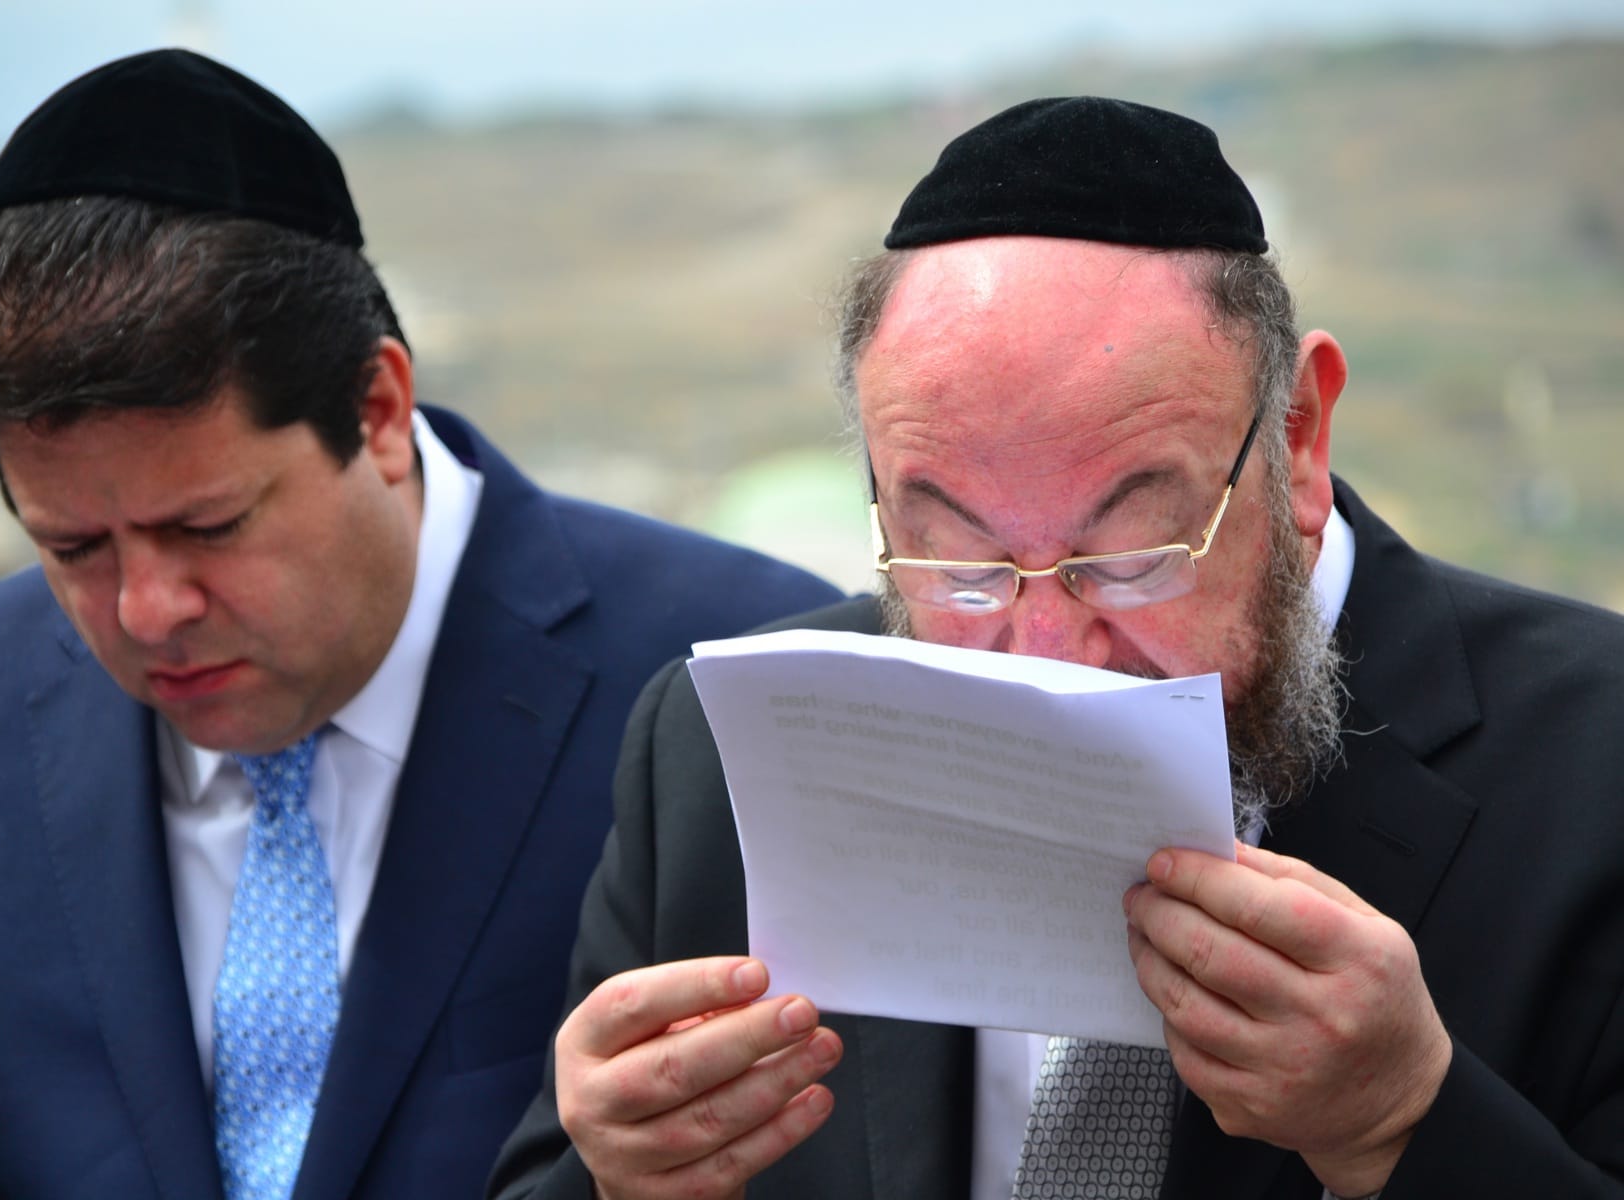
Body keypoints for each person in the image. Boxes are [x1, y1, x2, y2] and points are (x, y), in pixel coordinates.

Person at [488, 97, 1624, 1199]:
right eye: (961, 561)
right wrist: (618, 1182)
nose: (1043, 657)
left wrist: (1403, 1126)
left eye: (1129, 556)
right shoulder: (722, 752)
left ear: (1298, 440)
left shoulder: (1596, 761)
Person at [0, 49, 841, 1200]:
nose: (148, 610)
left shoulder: (740, 682)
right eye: (72, 548)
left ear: (379, 409)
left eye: (207, 526)